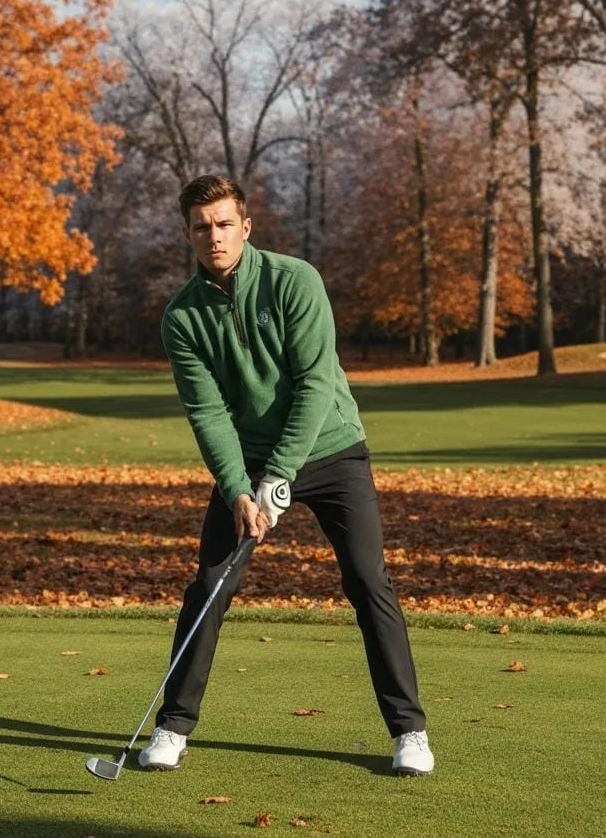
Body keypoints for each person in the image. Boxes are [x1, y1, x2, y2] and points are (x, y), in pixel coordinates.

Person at [140, 174, 433, 777]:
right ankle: (173, 727)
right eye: (202, 227)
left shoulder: (295, 280)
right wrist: (238, 489)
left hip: (332, 449)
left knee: (367, 581)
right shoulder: (182, 317)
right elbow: (208, 413)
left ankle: (410, 732)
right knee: (211, 586)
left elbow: (316, 383)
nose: (214, 236)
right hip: (248, 463)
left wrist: (280, 474)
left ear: (245, 227)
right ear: (188, 234)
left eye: (225, 224)